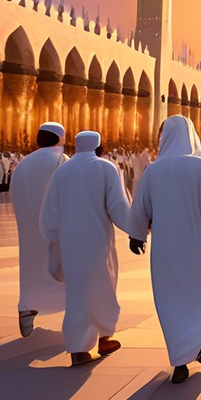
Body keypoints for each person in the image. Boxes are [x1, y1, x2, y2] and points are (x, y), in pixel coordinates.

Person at [127, 116, 201, 384]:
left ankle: (181, 360)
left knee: (170, 300)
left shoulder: (152, 171)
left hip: (165, 250)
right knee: (199, 293)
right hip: (195, 246)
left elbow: (141, 208)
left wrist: (136, 235)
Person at [41, 131, 130, 366]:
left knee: (78, 293)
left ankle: (79, 349)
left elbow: (49, 213)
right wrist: (137, 228)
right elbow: (118, 206)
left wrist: (53, 239)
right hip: (98, 241)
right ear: (99, 146)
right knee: (103, 287)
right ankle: (104, 338)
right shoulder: (106, 168)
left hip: (70, 243)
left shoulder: (62, 171)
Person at [11, 121, 68, 337]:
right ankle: (75, 319)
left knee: (31, 269)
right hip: (55, 228)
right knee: (63, 274)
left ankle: (27, 308)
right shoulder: (62, 160)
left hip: (28, 228)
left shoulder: (23, 164)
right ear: (60, 138)